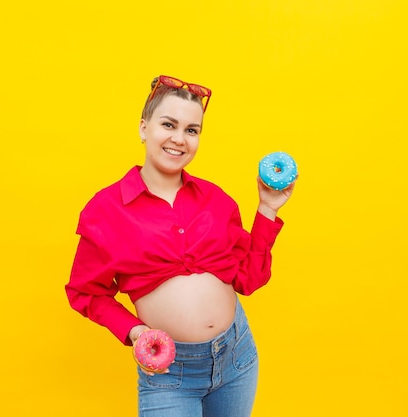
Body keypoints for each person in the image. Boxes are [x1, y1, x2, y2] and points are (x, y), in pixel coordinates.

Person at [65, 75, 296, 417]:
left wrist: (267, 210)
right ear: (144, 128)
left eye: (191, 130)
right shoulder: (105, 210)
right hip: (170, 374)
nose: (179, 139)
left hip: (236, 359)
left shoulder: (216, 201)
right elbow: (85, 292)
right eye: (168, 124)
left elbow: (249, 280)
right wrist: (134, 330)